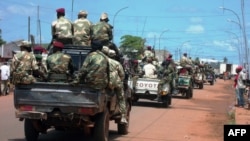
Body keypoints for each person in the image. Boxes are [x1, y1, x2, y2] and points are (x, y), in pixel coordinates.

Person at [107, 49, 128, 124]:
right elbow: (122, 75)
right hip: (116, 83)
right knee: (121, 98)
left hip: (105, 83)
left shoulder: (104, 61)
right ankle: (123, 117)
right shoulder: (117, 63)